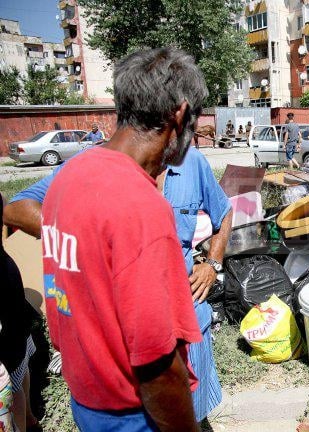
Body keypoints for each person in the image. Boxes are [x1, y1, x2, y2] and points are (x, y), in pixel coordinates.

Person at [5, 102, 232, 431]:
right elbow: (15, 207)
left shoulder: (193, 163)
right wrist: (79, 231)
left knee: (192, 409)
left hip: (187, 315)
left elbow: (223, 212)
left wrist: (212, 263)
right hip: (121, 358)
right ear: (176, 121)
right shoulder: (84, 168)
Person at [39, 47, 210, 431]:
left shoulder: (67, 178)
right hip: (134, 415)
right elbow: (158, 366)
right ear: (179, 116)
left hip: (86, 402)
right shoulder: (141, 207)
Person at [0, 194, 34, 432]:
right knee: (21, 370)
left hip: (7, 342)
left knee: (13, 385)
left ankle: (24, 423)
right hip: (17, 327)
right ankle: (31, 418)